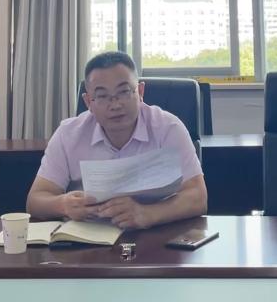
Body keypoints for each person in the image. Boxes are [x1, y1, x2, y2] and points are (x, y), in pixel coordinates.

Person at [27, 51, 207, 229]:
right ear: (88, 102)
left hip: (156, 235)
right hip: (89, 239)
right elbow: (35, 200)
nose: (115, 105)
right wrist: (63, 205)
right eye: (102, 96)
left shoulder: (168, 128)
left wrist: (148, 214)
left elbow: (198, 196)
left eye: (124, 92)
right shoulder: (68, 134)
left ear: (140, 91)